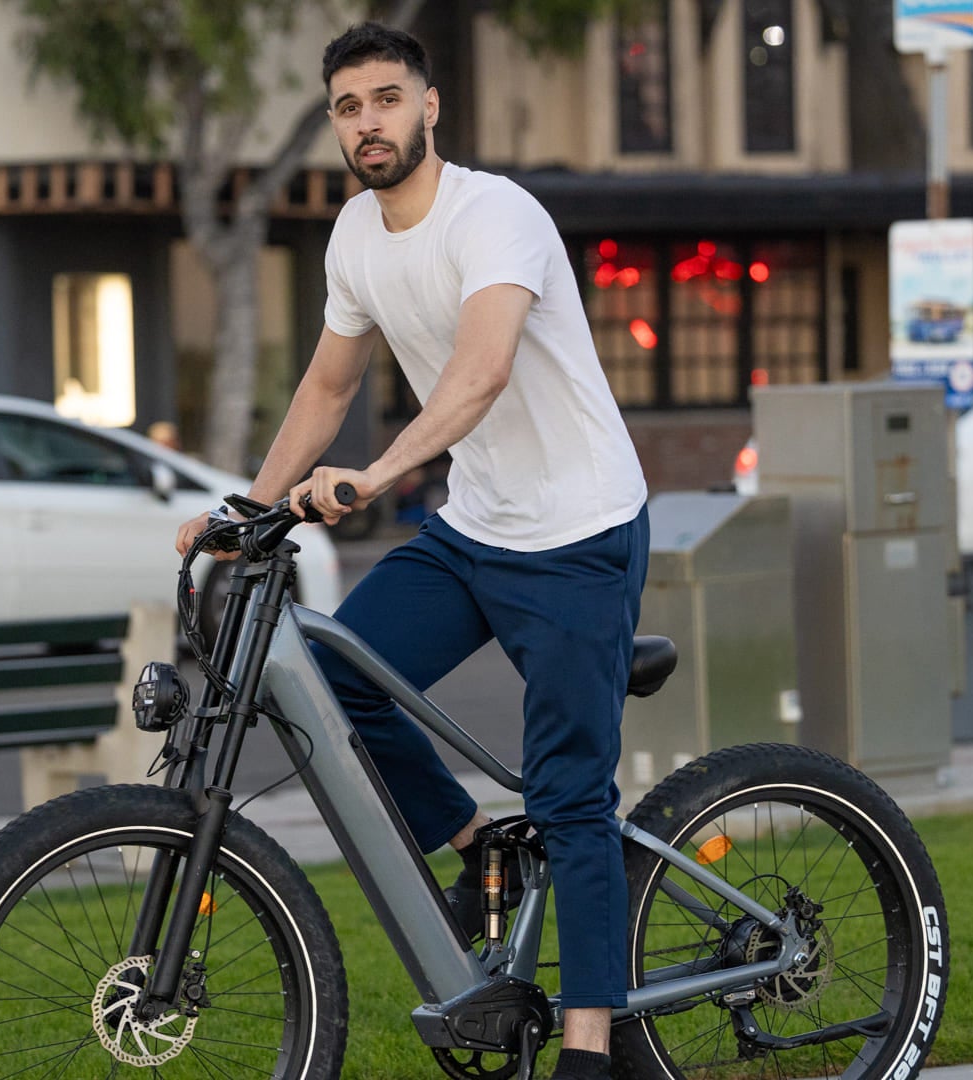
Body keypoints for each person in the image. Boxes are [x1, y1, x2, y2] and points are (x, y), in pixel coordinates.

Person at [172, 24, 648, 1080]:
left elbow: (478, 374)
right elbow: (326, 387)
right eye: (348, 107)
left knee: (572, 797)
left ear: (430, 107)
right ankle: (478, 849)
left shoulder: (496, 216)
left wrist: (374, 477)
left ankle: (586, 1049)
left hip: (578, 534)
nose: (368, 122)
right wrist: (243, 510)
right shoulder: (354, 234)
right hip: (475, 529)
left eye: (387, 99)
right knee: (332, 679)